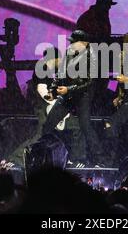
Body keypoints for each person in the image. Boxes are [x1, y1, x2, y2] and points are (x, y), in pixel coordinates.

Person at [42, 30, 104, 166]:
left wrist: (68, 89)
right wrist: (53, 91)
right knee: (48, 124)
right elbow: (60, 74)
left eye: (74, 42)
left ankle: (100, 159)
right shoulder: (69, 54)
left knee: (85, 127)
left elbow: (89, 82)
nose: (71, 44)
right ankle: (45, 155)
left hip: (82, 96)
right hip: (67, 96)